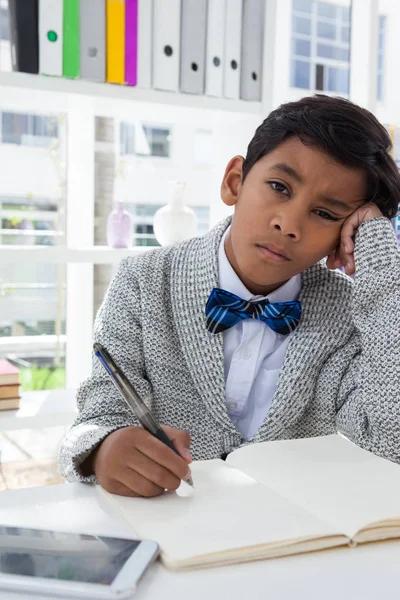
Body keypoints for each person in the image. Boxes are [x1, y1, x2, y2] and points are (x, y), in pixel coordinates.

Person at [59, 94, 400, 498]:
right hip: (167, 528)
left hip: (290, 535)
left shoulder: (350, 315)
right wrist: (102, 449)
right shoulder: (143, 281)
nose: (288, 224)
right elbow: (92, 420)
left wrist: (382, 266)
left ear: (342, 239)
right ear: (234, 181)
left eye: (325, 214)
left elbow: (389, 439)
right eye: (279, 187)